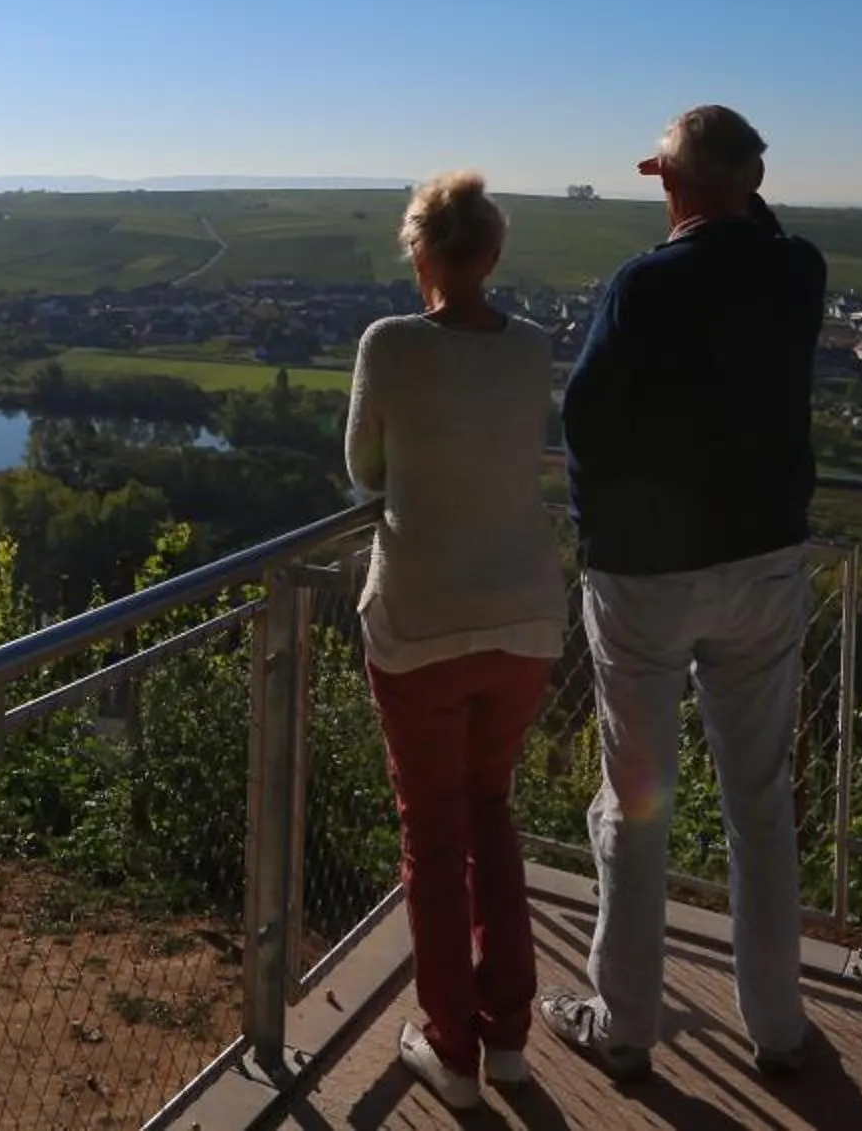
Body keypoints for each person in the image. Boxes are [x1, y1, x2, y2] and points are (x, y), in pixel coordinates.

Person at [540, 105, 828, 1081]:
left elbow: (584, 417)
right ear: (755, 181)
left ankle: (624, 1026)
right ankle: (779, 1030)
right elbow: (760, 233)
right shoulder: (798, 273)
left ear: (667, 183)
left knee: (636, 803)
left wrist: (603, 530)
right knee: (760, 803)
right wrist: (719, 183)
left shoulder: (645, 284)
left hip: (646, 578)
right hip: (764, 563)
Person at [346, 171, 569, 1109]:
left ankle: (452, 1051)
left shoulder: (390, 344)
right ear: (494, 253)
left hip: (422, 621)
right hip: (524, 617)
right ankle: (508, 1037)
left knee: (433, 839)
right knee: (490, 811)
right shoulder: (533, 346)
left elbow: (363, 469)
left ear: (419, 253)